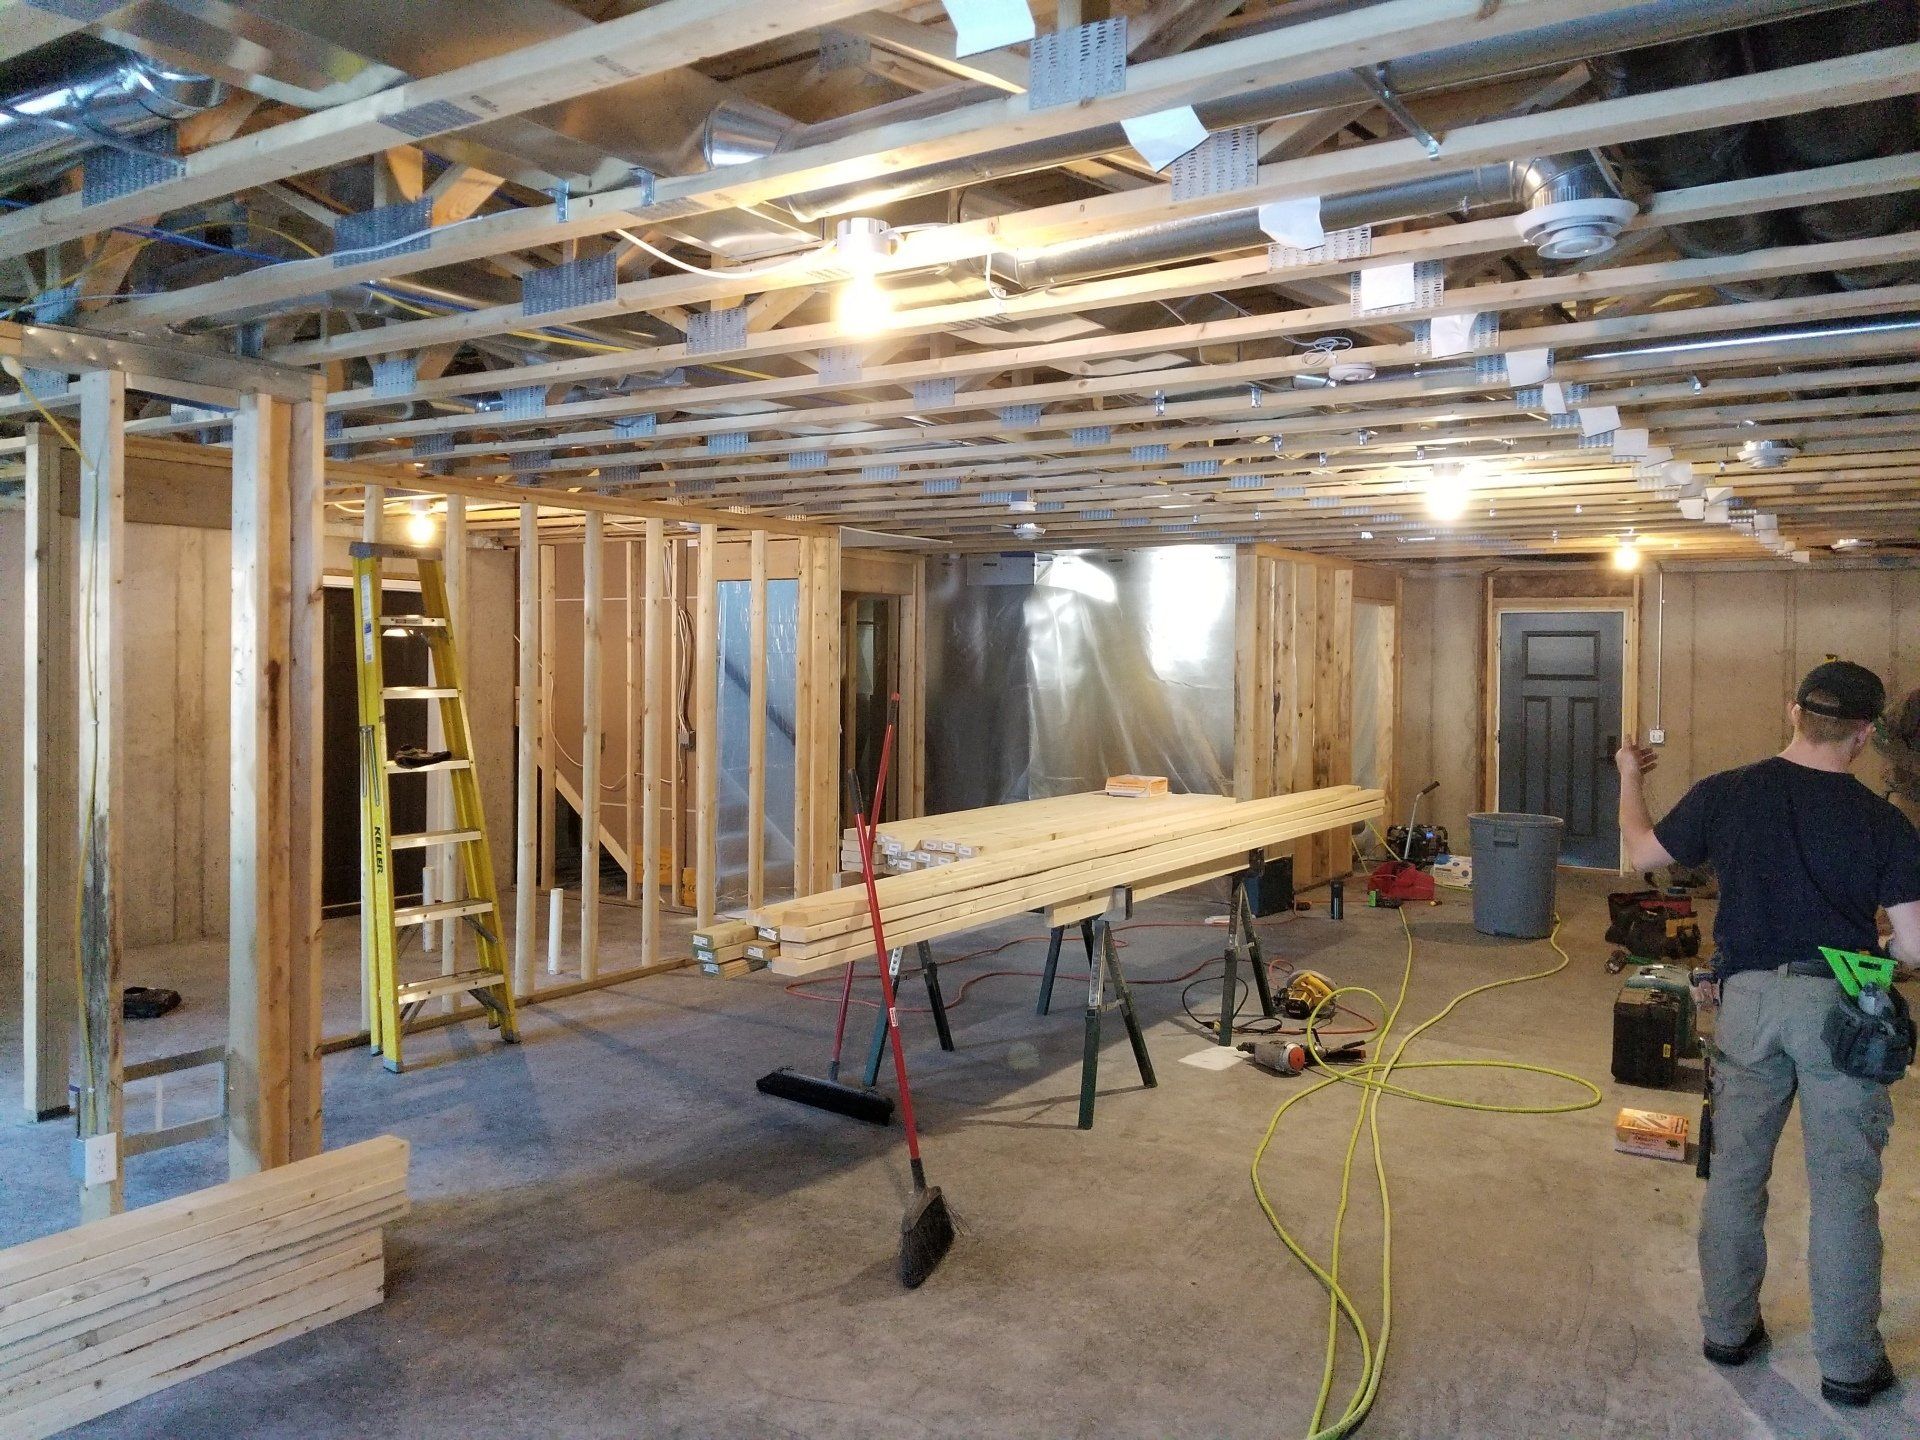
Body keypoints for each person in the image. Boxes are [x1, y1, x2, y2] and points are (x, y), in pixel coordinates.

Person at [1615, 659, 1920, 1408]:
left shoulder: (1728, 792)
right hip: (1841, 1005)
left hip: (1745, 1002)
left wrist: (1630, 773)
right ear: (1863, 733)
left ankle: (1728, 1330)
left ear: (1793, 712)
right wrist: (1875, 960)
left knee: (1736, 1174)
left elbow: (1642, 854)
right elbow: (1916, 948)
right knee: (1844, 1190)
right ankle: (1848, 1366)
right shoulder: (1884, 823)